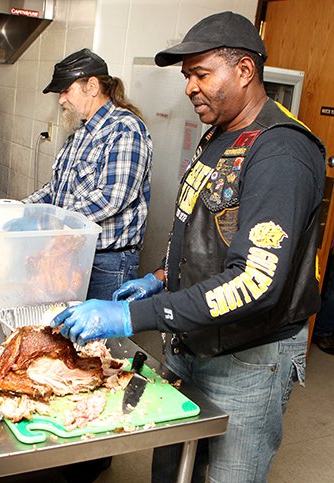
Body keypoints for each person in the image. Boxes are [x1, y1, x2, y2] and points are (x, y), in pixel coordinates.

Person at [51, 11, 326, 483]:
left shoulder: (281, 152)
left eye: (201, 74)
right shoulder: (220, 135)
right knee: (173, 468)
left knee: (224, 475)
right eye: (187, 77)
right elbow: (204, 231)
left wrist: (132, 318)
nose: (189, 88)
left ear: (244, 71)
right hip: (192, 339)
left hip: (247, 357)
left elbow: (255, 281)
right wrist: (158, 278)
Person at [18, 48, 154, 301]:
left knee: (104, 340)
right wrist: (21, 209)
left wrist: (51, 220)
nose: (61, 100)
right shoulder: (80, 133)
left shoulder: (125, 129)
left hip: (109, 264)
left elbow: (113, 197)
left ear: (91, 86)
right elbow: (56, 189)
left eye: (65, 90)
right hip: (76, 255)